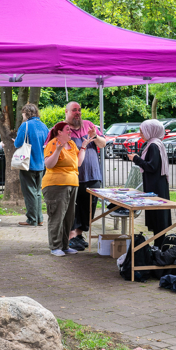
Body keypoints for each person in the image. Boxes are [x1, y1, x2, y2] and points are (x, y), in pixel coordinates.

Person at [42, 121, 93, 256]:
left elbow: (78, 162)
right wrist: (58, 150)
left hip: (72, 184)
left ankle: (64, 245)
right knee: (57, 216)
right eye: (67, 129)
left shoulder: (71, 144)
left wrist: (83, 147)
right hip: (56, 185)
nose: (70, 131)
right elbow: (49, 164)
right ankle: (55, 246)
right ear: (59, 132)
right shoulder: (53, 144)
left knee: (68, 217)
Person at [65, 102, 106, 251]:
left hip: (92, 175)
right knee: (71, 207)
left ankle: (79, 234)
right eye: (74, 110)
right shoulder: (62, 128)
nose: (78, 113)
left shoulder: (89, 125)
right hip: (71, 176)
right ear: (67, 112)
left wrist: (94, 136)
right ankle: (71, 236)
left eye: (79, 110)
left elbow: (103, 144)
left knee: (89, 207)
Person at [128, 120, 171, 248]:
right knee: (157, 217)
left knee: (158, 217)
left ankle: (159, 247)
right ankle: (158, 245)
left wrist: (135, 158)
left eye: (142, 130)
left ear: (151, 131)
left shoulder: (153, 145)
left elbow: (152, 166)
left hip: (156, 186)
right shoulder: (154, 144)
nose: (140, 133)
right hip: (156, 184)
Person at [14, 103, 49, 227]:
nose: (22, 115)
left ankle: (32, 219)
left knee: (29, 192)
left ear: (26, 113)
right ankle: (39, 218)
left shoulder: (26, 125)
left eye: (23, 113)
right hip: (42, 164)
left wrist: (16, 141)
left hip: (28, 163)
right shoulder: (44, 126)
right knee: (38, 192)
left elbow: (18, 143)